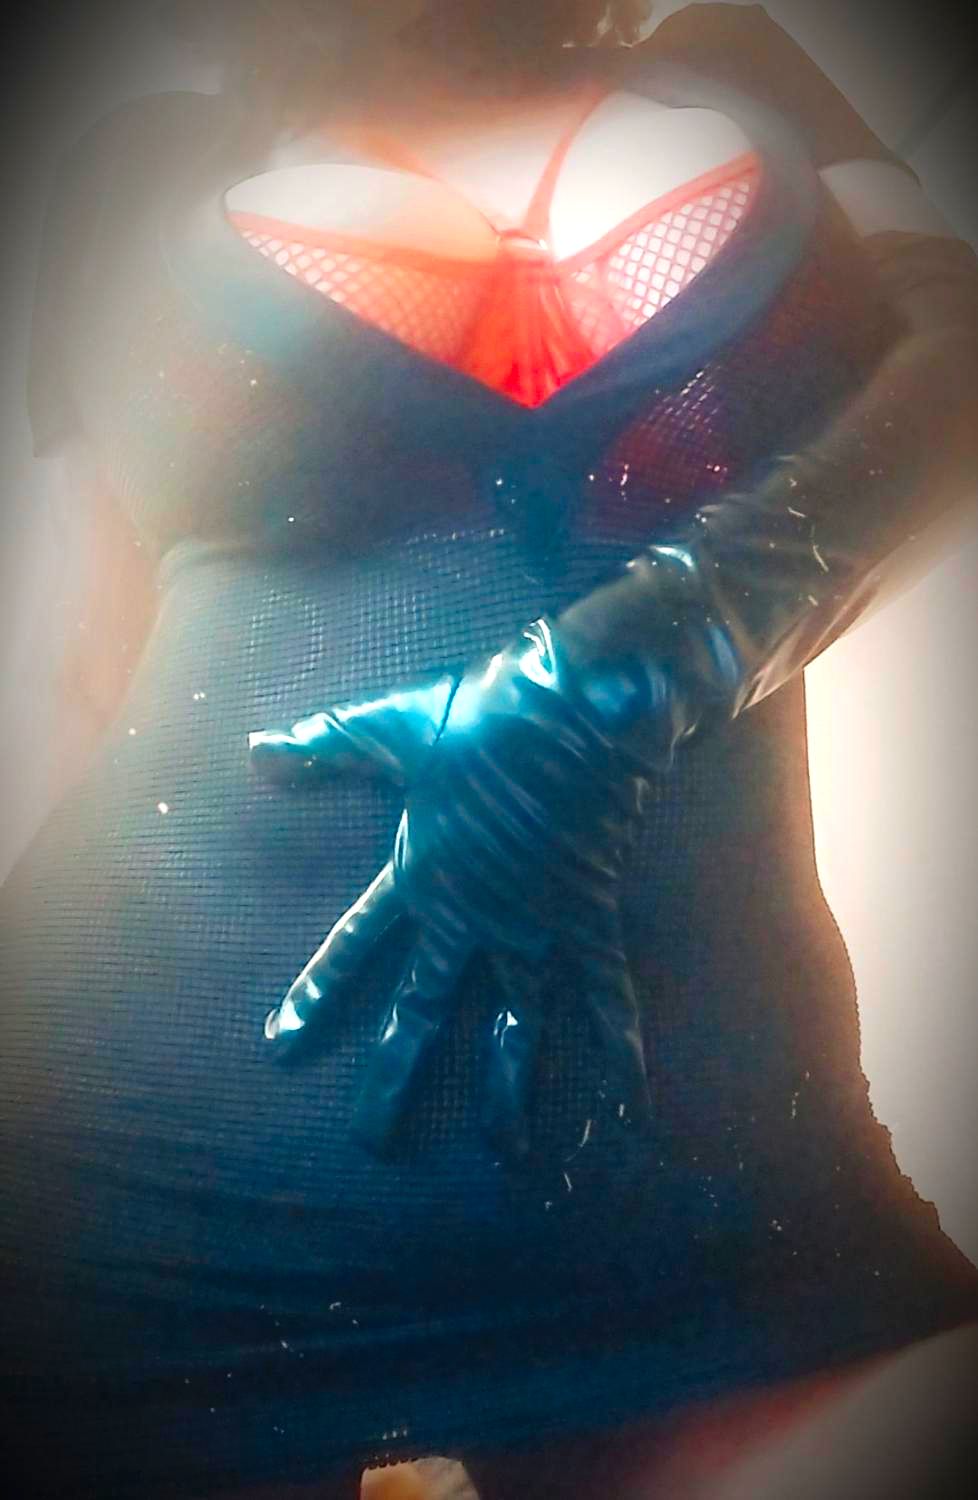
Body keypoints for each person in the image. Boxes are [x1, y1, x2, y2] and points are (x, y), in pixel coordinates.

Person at [2, 3, 977, 1496]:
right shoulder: (142, 159)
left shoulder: (740, 59)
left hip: (712, 1200)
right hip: (145, 1181)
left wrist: (653, 651)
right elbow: (84, 655)